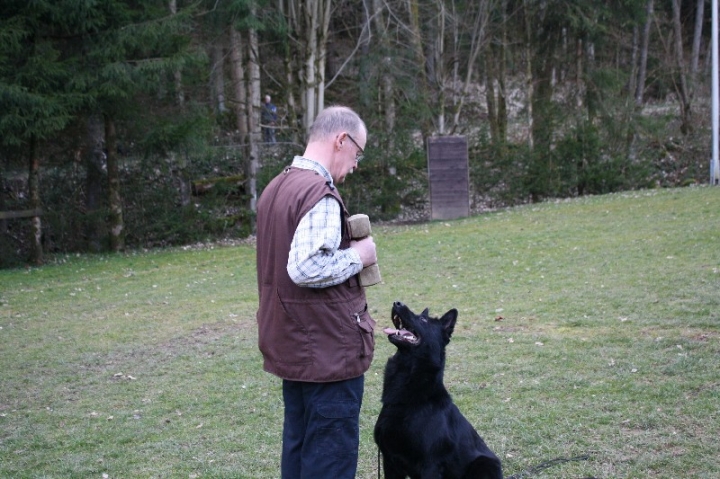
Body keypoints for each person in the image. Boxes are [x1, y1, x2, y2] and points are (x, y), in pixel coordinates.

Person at [255, 105, 377, 479]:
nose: (356, 164)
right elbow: (305, 267)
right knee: (329, 464)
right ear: (341, 140)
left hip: (297, 348)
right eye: (357, 153)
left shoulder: (277, 186)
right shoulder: (319, 194)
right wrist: (359, 255)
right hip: (327, 355)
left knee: (299, 454)